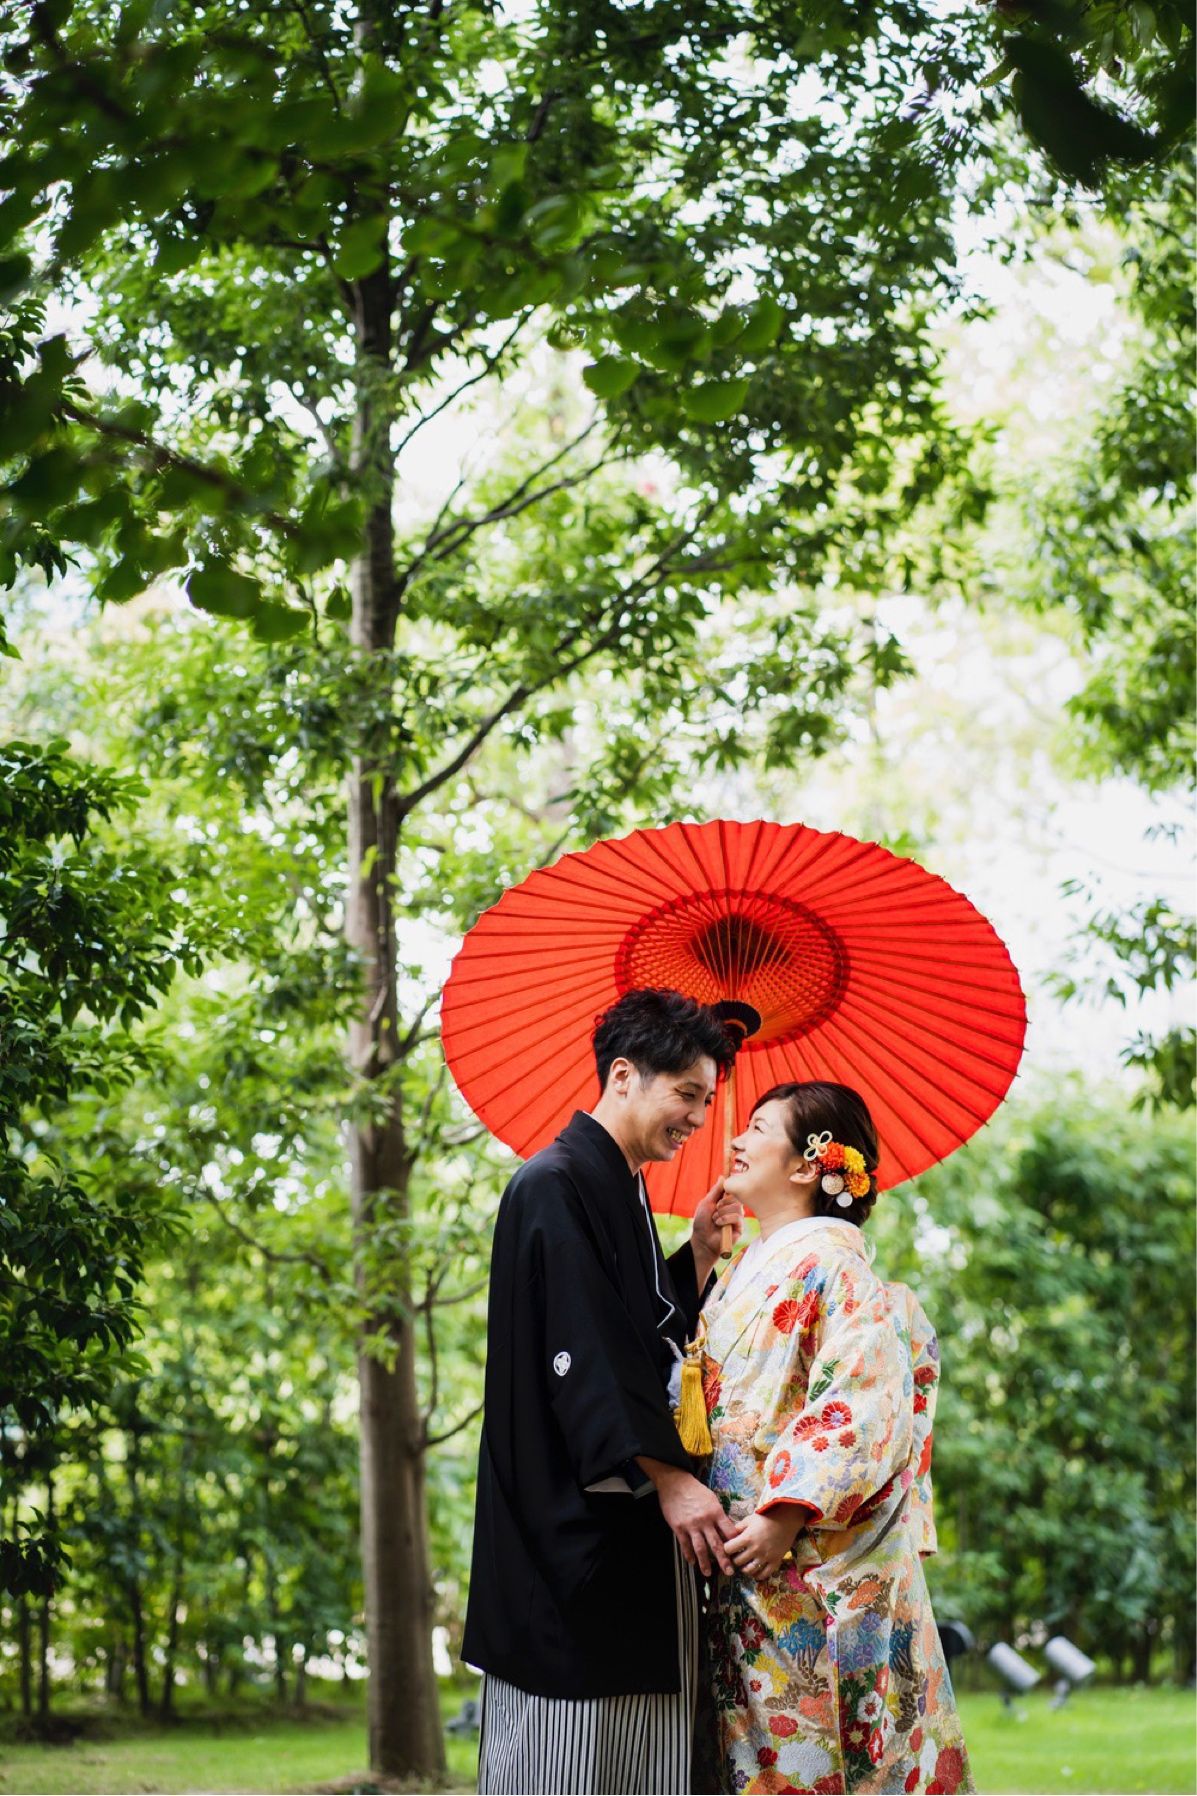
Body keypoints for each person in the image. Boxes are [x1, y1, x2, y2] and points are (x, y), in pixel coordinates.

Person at [463, 987, 746, 1796]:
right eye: (686, 1094)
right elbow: (583, 1350)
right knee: (565, 1758)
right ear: (623, 1075)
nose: (697, 1118)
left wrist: (695, 1254)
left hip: (624, 1530)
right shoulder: (552, 1183)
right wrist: (669, 1478)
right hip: (569, 1531)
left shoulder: (619, 1185)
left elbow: (638, 1333)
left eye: (706, 1100)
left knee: (635, 1763)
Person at [698, 1081, 973, 1796]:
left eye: (759, 1128)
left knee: (816, 1750)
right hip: (744, 1553)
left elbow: (861, 1399)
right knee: (756, 1754)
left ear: (803, 1166)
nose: (736, 1139)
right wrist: (701, 1257)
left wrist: (786, 1511)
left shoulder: (834, 1267)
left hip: (799, 1548)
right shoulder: (745, 1269)